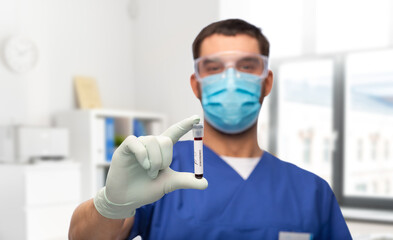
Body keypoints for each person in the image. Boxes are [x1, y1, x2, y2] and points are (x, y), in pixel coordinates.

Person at [68, 19, 352, 240]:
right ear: (197, 83)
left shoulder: (311, 193)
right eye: (214, 68)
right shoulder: (159, 169)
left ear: (266, 82)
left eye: (246, 66)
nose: (231, 80)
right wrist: (111, 205)